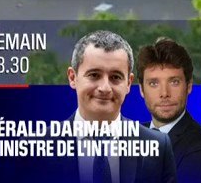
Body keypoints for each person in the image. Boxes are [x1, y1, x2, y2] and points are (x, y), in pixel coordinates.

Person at [48, 31, 178, 183]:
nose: (105, 88)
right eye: (94, 75)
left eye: (115, 77)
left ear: (129, 83)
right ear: (72, 78)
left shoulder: (158, 147)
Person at [136, 38, 201, 183]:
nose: (164, 93)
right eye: (153, 83)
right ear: (142, 90)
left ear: (188, 86)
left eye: (174, 82)